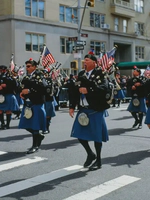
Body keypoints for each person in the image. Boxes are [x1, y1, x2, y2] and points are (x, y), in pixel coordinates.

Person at [68, 53, 111, 170]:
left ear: (94, 62)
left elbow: (104, 89)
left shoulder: (100, 73)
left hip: (95, 109)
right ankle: (90, 154)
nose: (84, 62)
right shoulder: (81, 74)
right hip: (83, 109)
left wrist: (89, 91)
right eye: (84, 60)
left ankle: (99, 160)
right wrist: (72, 106)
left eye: (87, 60)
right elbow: (75, 91)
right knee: (79, 134)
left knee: (97, 137)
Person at [19, 58, 48, 154]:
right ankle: (38, 136)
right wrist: (22, 93)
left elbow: (44, 88)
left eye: (29, 66)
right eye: (26, 66)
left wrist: (30, 91)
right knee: (25, 124)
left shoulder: (39, 75)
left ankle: (35, 145)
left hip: (36, 103)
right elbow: (22, 87)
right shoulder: (26, 77)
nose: (27, 68)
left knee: (35, 126)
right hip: (28, 103)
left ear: (34, 67)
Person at [0, 65, 19, 129]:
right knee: (0, 110)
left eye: (3, 70)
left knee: (8, 110)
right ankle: (2, 123)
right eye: (1, 70)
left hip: (8, 94)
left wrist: (6, 86)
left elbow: (15, 85)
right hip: (1, 95)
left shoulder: (10, 77)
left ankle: (7, 124)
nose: (2, 71)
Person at [42, 69, 56, 134]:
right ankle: (43, 127)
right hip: (41, 100)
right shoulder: (40, 80)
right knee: (42, 115)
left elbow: (50, 89)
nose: (44, 75)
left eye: (45, 74)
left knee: (48, 115)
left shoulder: (50, 80)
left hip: (48, 99)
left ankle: (46, 128)